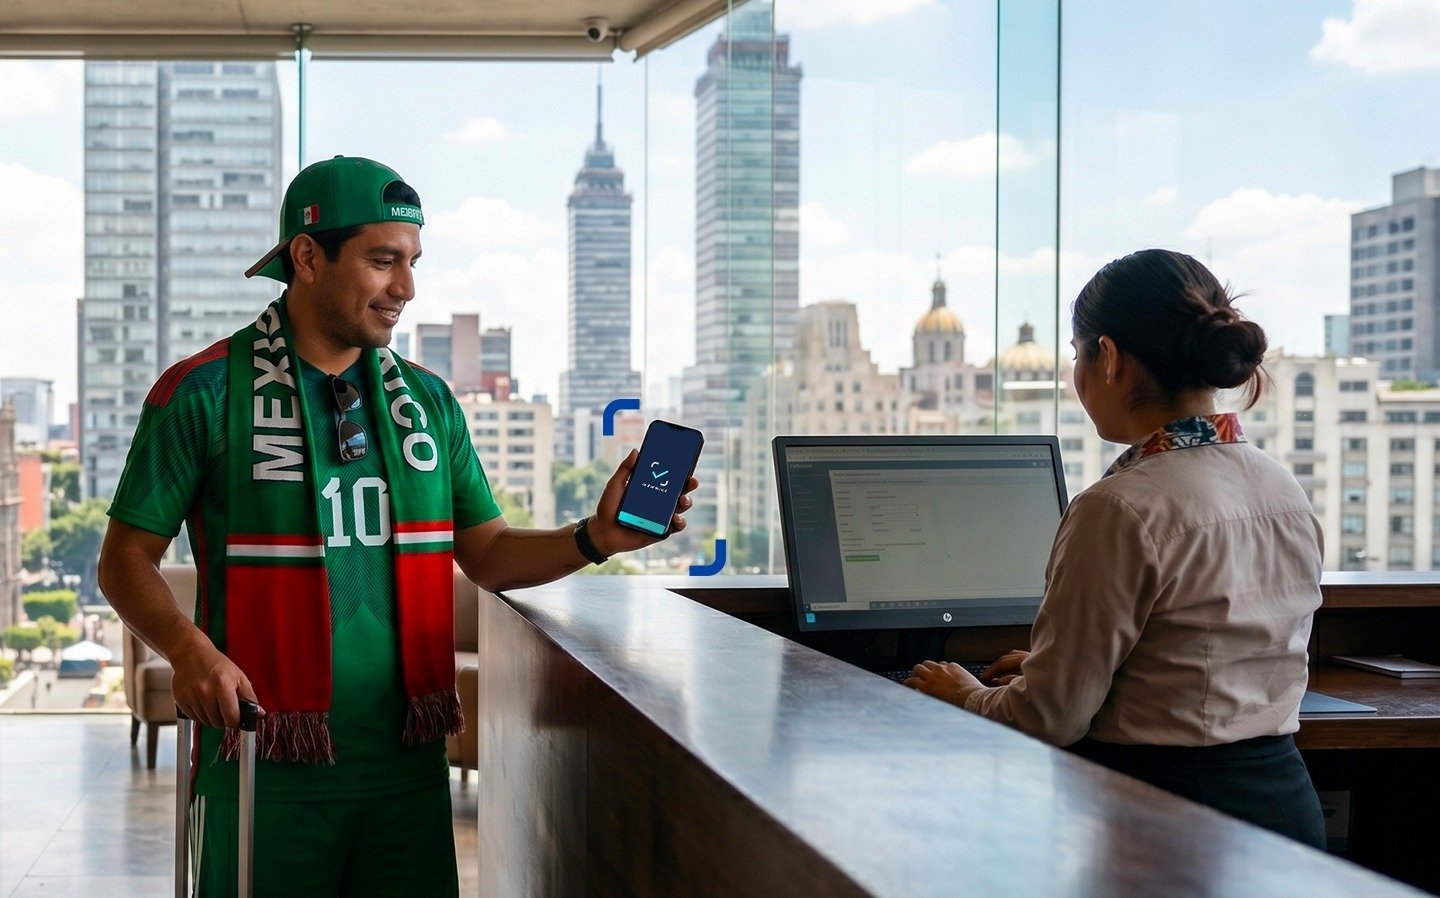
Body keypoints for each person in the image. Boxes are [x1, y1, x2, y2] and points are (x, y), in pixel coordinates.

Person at [96, 155, 698, 897]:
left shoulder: (429, 402)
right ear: (309, 257)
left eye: (412, 262)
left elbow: (489, 554)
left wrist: (595, 537)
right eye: (384, 262)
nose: (406, 289)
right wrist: (187, 651)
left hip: (407, 771)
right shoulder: (202, 392)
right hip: (259, 761)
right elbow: (124, 560)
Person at [906, 248, 1326, 848]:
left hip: (1167, 825)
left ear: (1109, 359)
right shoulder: (1280, 485)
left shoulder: (1120, 506)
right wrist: (1057, 667)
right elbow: (1203, 655)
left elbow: (1047, 719)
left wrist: (967, 694)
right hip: (1284, 815)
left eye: (1077, 356)